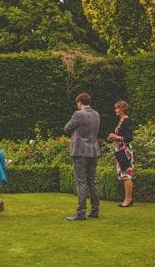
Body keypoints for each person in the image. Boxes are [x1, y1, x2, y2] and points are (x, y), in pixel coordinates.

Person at [64, 92, 101, 221]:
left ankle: (81, 212)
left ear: (79, 102)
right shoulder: (96, 114)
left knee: (81, 182)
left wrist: (75, 132)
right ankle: (95, 210)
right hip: (93, 151)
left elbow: (66, 128)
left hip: (80, 151)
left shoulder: (78, 114)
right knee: (92, 180)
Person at [107, 100, 135, 207]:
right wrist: (112, 138)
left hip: (124, 151)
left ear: (122, 109)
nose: (115, 111)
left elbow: (129, 138)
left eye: (117, 108)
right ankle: (127, 199)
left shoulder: (126, 120)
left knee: (126, 175)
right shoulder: (122, 120)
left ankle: (128, 199)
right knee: (123, 174)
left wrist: (116, 137)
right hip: (120, 150)